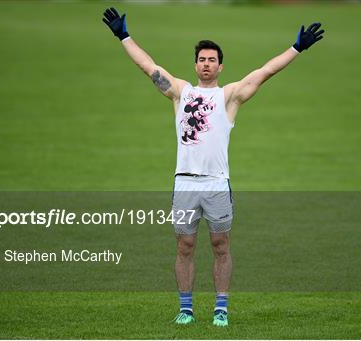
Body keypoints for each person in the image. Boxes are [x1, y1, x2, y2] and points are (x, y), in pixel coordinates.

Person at [102, 7, 324, 327]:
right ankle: (186, 308)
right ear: (196, 65)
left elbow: (264, 72)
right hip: (185, 184)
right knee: (185, 245)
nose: (206, 64)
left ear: (220, 66)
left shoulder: (229, 97)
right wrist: (123, 35)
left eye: (211, 60)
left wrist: (297, 47)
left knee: (221, 245)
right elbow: (148, 66)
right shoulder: (180, 92)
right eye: (202, 59)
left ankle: (221, 307)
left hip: (217, 184)